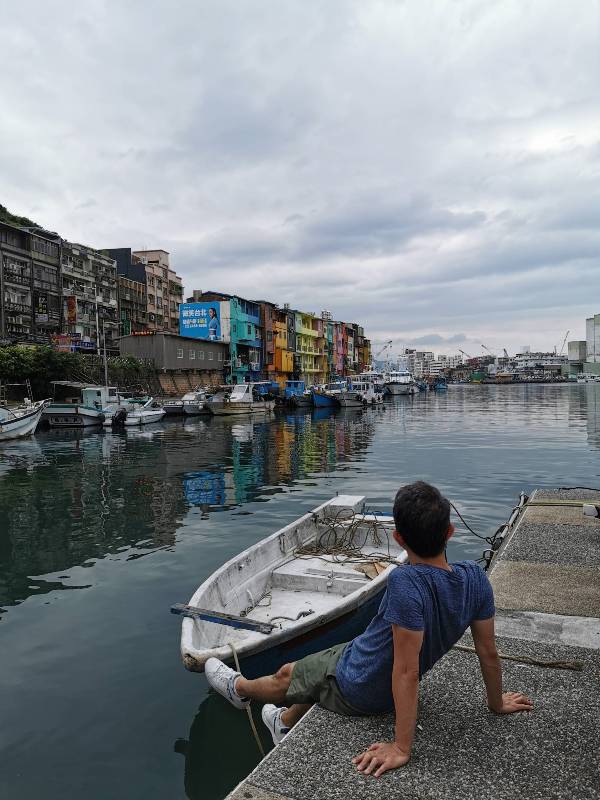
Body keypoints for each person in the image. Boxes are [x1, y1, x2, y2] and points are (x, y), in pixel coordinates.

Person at [205, 481, 533, 777]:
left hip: (361, 685)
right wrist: (496, 703)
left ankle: (240, 689)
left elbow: (406, 671)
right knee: (319, 666)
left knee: (288, 673)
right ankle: (285, 723)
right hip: (364, 661)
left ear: (399, 539)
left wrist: (401, 747)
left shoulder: (405, 581)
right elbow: (488, 652)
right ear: (450, 532)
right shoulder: (475, 579)